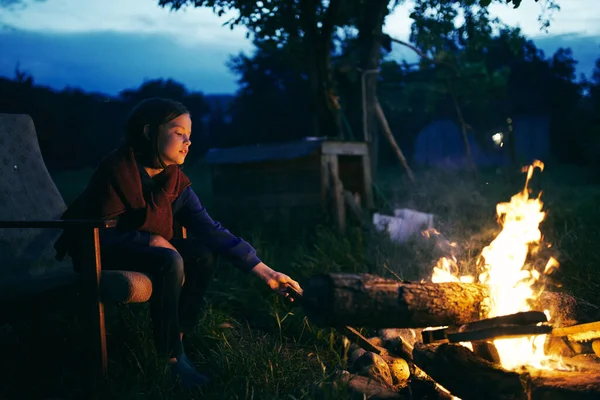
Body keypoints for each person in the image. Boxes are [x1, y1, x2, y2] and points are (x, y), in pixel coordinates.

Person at [54, 97, 303, 388]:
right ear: (149, 131)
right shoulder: (116, 170)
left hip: (142, 251)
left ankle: (178, 340)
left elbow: (211, 230)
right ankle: (169, 360)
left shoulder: (174, 181)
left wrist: (267, 273)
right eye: (178, 133)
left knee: (203, 253)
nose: (187, 142)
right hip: (100, 252)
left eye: (189, 136)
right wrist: (151, 239)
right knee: (170, 259)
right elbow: (95, 230)